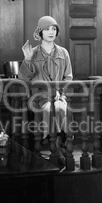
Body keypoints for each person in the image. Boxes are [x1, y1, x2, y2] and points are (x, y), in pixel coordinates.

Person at [18, 16, 73, 165]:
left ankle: (58, 144)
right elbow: (23, 79)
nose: (51, 32)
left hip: (58, 95)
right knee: (48, 108)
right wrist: (28, 60)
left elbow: (68, 78)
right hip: (39, 97)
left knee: (61, 107)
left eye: (54, 29)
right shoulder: (33, 53)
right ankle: (52, 145)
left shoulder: (63, 53)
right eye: (47, 29)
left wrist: (61, 94)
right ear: (40, 32)